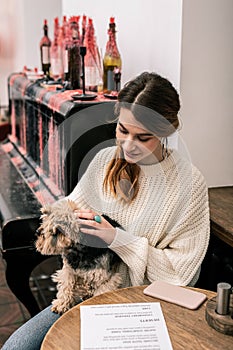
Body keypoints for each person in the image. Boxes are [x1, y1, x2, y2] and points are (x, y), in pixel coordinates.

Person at [2, 72, 210, 349]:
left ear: (166, 132)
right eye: (122, 130)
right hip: (85, 293)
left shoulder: (189, 183)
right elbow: (73, 206)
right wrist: (62, 216)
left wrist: (117, 239)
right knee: (17, 347)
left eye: (143, 137)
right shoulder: (104, 160)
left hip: (143, 303)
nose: (127, 145)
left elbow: (183, 273)